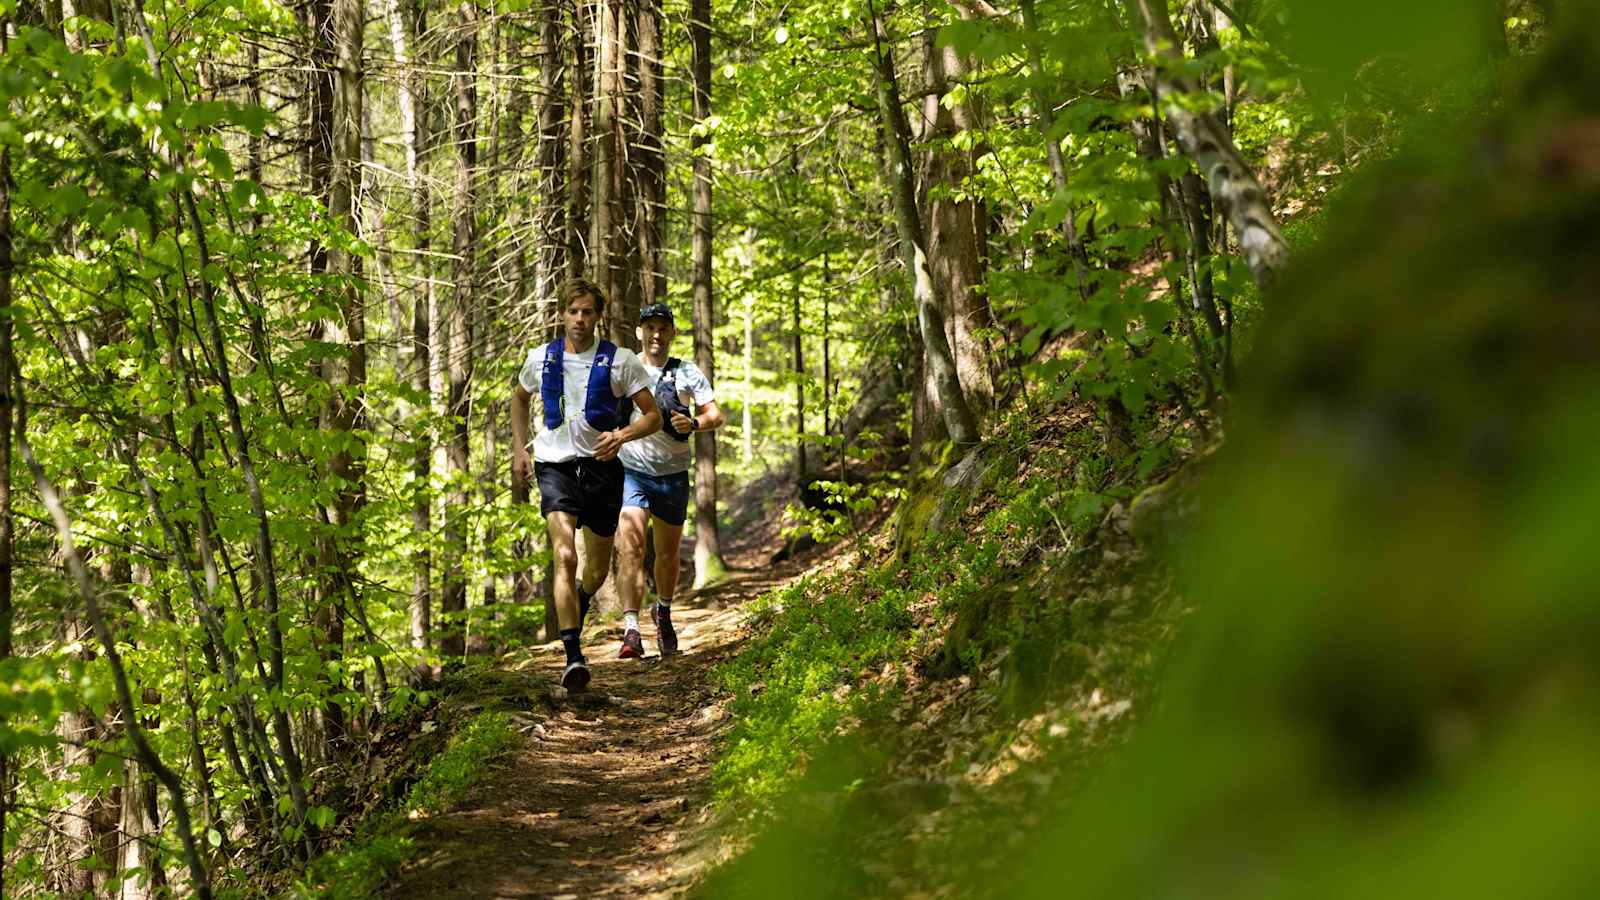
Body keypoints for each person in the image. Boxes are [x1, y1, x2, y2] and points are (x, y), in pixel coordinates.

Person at [511, 278, 661, 691]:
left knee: (594, 569)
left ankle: (580, 600)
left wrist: (622, 436)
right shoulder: (541, 358)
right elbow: (520, 398)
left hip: (601, 468)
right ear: (563, 314)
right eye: (573, 311)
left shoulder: (620, 360)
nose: (580, 319)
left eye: (588, 312)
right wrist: (520, 451)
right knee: (564, 556)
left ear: (598, 316)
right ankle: (573, 654)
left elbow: (653, 416)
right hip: (555, 465)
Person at [614, 302, 725, 658]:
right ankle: (631, 630)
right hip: (631, 470)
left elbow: (715, 414)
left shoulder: (686, 372)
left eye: (663, 328)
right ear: (639, 333)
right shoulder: (624, 367)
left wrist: (693, 423)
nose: (656, 334)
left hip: (673, 475)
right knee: (631, 547)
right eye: (650, 328)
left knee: (667, 554)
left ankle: (662, 611)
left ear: (672, 334)